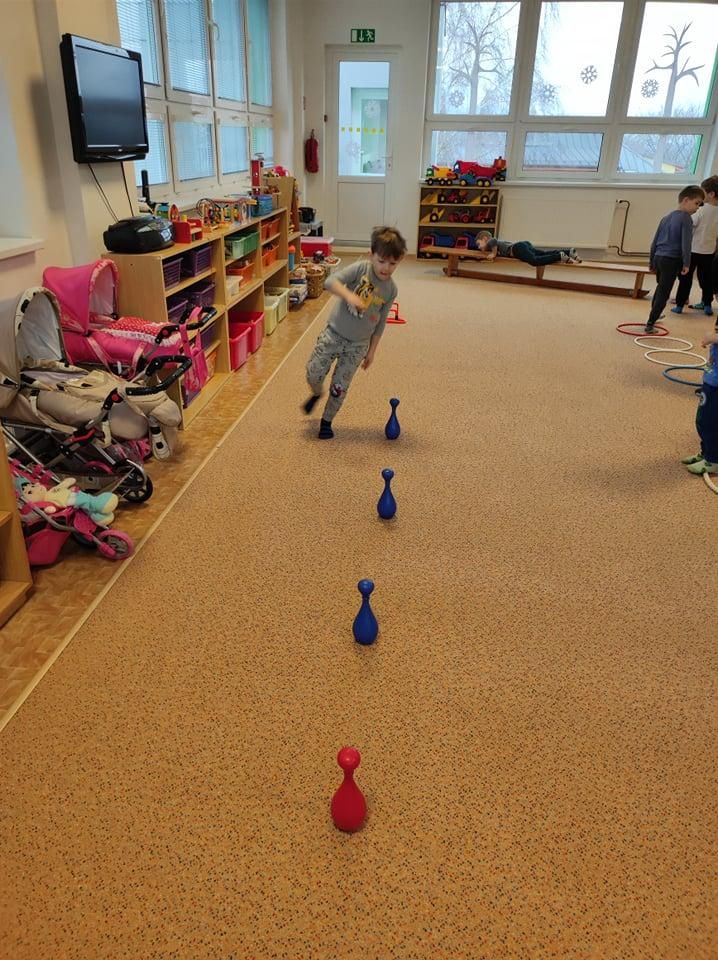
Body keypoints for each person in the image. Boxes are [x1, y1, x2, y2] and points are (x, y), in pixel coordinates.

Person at [302, 225, 406, 439]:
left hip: (358, 345)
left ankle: (327, 421)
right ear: (371, 254)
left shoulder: (391, 290)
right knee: (313, 373)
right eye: (381, 261)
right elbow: (330, 281)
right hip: (333, 334)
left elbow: (381, 322)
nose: (386, 268)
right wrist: (349, 296)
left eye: (392, 263)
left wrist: (372, 351)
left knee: (339, 387)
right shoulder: (360, 269)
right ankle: (317, 393)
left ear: (400, 260)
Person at [645, 184, 705, 333]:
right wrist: (687, 263)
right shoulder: (686, 218)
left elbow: (654, 241)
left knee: (660, 288)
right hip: (671, 260)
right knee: (664, 292)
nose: (697, 208)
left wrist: (651, 261)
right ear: (686, 200)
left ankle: (655, 314)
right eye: (696, 203)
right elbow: (686, 243)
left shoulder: (666, 217)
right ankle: (650, 323)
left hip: (658, 257)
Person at [671, 175, 718, 317]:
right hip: (709, 251)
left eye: (703, 192)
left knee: (685, 277)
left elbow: (690, 224)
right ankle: (707, 304)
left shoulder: (701, 209)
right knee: (706, 278)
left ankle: (680, 305)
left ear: (711, 194)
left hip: (692, 250)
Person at [681, 324, 718, 476]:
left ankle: (713, 459)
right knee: (702, 420)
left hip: (716, 385)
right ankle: (706, 452)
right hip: (711, 379)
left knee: (711, 422)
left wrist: (712, 337)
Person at [475, 231, 582, 266]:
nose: (479, 247)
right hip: (523, 245)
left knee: (534, 261)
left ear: (485, 239)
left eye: (479, 244)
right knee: (543, 254)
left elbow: (493, 240)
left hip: (517, 248)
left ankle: (559, 256)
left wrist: (493, 254)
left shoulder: (490, 242)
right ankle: (569, 252)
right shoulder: (491, 246)